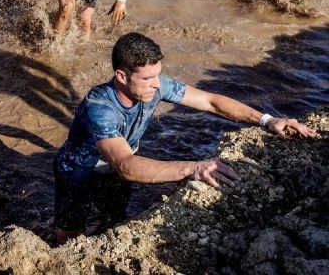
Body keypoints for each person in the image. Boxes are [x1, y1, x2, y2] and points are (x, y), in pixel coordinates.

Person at [54, 32, 315, 244]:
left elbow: (211, 102)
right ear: (121, 76)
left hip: (114, 172)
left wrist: (267, 120)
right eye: (147, 78)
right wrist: (194, 167)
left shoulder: (154, 85)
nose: (157, 84)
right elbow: (126, 167)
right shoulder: (100, 107)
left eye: (158, 74)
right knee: (70, 238)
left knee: (115, 221)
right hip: (78, 173)